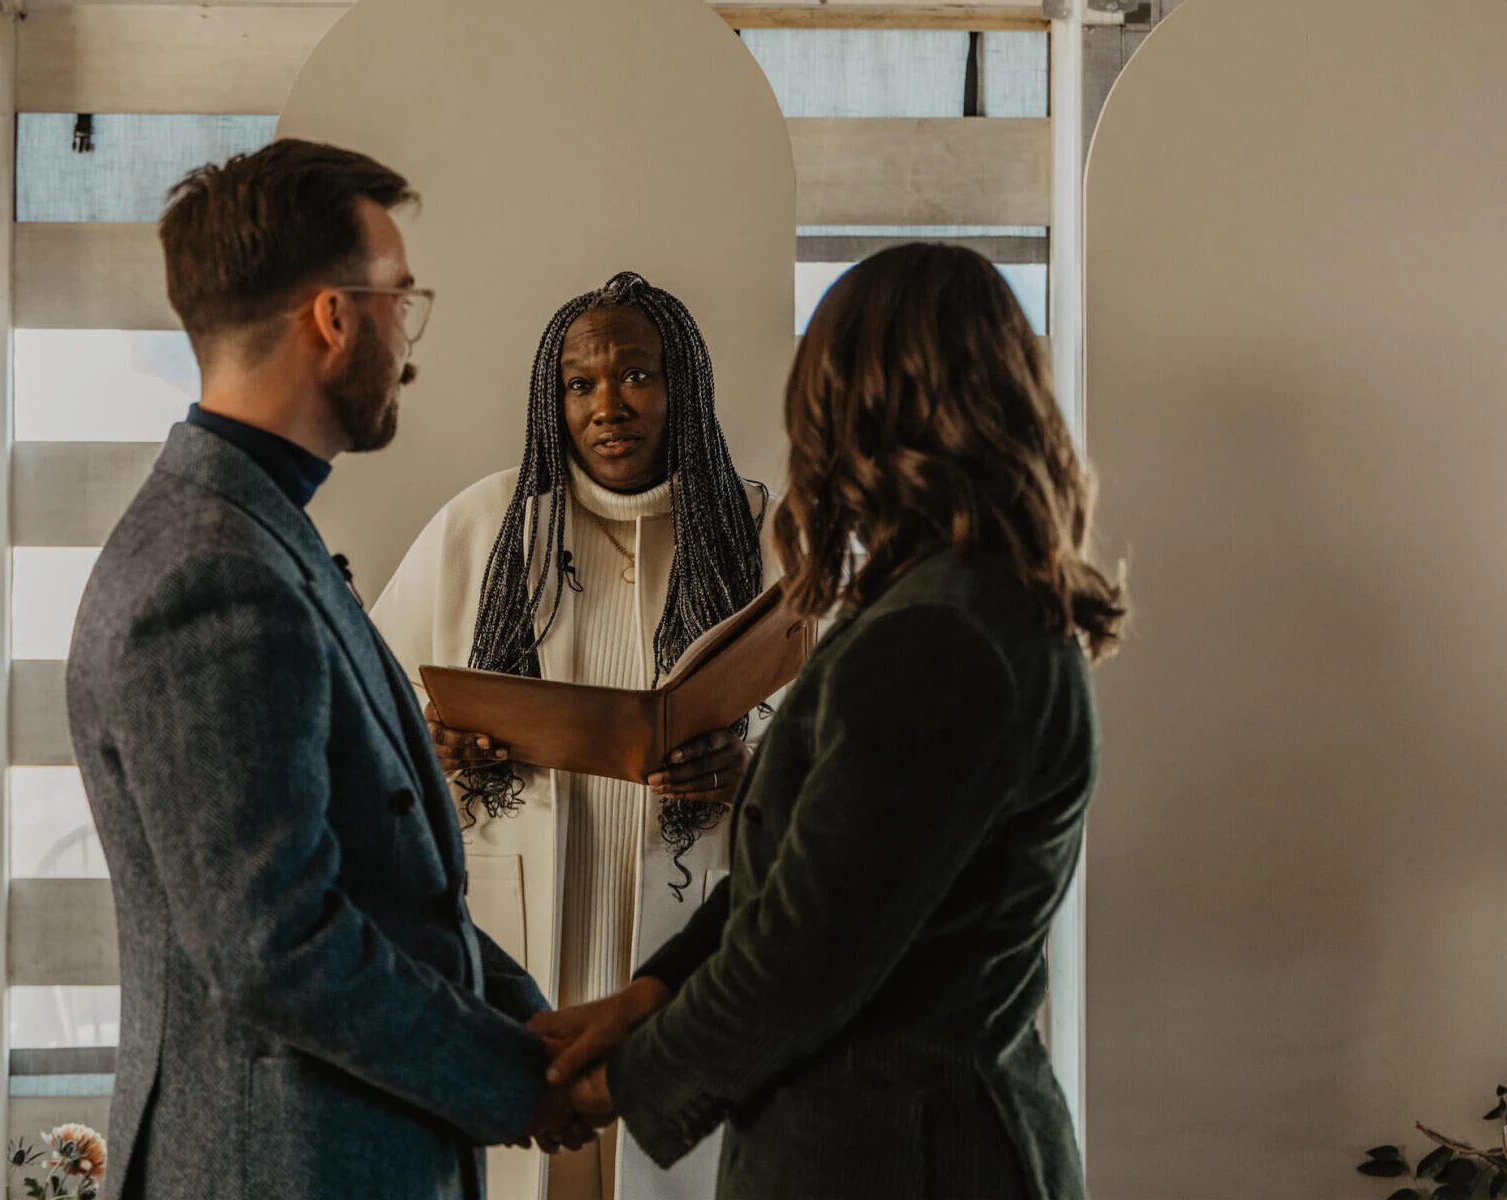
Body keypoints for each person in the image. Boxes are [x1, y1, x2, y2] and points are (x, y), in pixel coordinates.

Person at [535, 243, 1128, 1200]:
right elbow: (813, 876)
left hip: (900, 1154)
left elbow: (802, 953)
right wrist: (644, 998)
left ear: (864, 400)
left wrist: (607, 1087)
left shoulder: (938, 636)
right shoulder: (957, 602)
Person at [65, 140, 577, 1200]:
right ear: (333, 317)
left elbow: (379, 878)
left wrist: (533, 1023)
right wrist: (515, 1078)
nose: (409, 342)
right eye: (402, 299)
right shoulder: (214, 575)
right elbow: (280, 945)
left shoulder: (250, 534)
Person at [369, 270, 783, 1200]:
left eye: (635, 376)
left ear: (683, 387)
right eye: (579, 383)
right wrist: (432, 750)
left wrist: (745, 764)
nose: (607, 405)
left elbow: (837, 742)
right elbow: (367, 709)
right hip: (520, 933)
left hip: (686, 931)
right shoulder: (484, 526)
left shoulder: (757, 529)